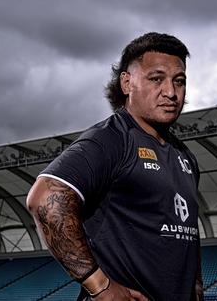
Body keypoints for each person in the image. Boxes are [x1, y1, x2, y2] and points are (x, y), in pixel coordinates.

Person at [27, 32, 203, 301]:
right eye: (156, 79)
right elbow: (45, 198)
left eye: (179, 82)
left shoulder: (185, 157)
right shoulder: (111, 140)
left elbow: (187, 246)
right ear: (126, 82)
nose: (170, 92)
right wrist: (101, 286)